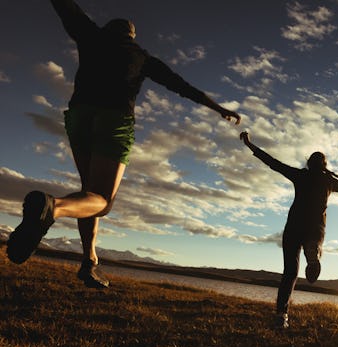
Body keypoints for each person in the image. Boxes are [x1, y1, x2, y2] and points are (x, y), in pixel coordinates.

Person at [6, 0, 241, 288]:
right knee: (102, 202)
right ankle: (52, 208)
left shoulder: (90, 35)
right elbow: (181, 87)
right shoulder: (141, 57)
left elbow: (66, 7)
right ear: (131, 35)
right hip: (113, 120)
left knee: (88, 194)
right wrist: (219, 108)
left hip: (79, 116)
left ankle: (89, 261)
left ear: (108, 29)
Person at [240, 131, 338, 328]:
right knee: (316, 239)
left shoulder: (300, 175)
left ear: (308, 163)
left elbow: (272, 162)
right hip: (315, 226)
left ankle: (281, 315)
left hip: (293, 226)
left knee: (290, 272)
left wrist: (250, 145)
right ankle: (314, 250)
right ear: (325, 165)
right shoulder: (328, 181)